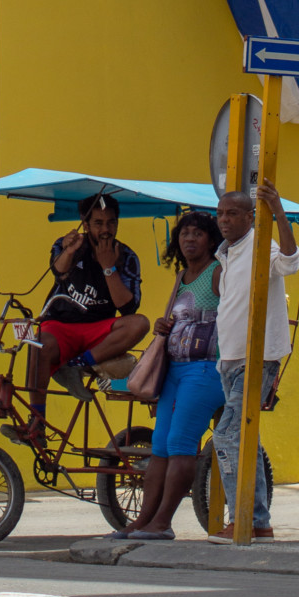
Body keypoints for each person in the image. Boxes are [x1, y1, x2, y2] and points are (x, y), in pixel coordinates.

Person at [113, 209, 224, 540]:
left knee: (180, 443)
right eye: (185, 233)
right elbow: (173, 319)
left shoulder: (219, 273)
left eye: (198, 233)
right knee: (159, 445)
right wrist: (163, 324)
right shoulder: (181, 277)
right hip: (173, 369)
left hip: (205, 369)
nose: (189, 239)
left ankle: (162, 522)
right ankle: (143, 521)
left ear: (211, 240)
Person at [210, 183, 299, 540]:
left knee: (227, 436)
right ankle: (259, 522)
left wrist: (278, 211)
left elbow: (290, 263)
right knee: (244, 438)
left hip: (257, 357)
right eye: (220, 213)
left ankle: (241, 519)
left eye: (232, 213)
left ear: (249, 217)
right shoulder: (226, 254)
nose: (224, 220)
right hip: (229, 360)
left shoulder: (263, 245)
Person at [24, 193, 147, 444]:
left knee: (141, 323)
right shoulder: (67, 245)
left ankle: (77, 367)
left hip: (98, 332)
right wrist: (69, 250)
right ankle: (36, 424)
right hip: (61, 326)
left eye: (111, 223)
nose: (105, 230)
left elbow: (128, 308)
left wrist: (108, 267)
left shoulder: (127, 256)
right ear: (85, 223)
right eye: (98, 223)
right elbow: (58, 271)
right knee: (38, 344)